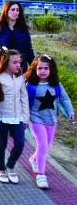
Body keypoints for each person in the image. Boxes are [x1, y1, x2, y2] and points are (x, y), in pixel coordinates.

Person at [24, 55, 75, 189]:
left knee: (47, 145)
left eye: (46, 68)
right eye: (40, 68)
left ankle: (34, 159)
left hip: (52, 120)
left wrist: (70, 112)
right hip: (36, 119)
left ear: (51, 69)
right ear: (34, 69)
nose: (43, 71)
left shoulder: (56, 85)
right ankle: (41, 175)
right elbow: (23, 101)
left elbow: (64, 99)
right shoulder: (30, 85)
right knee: (43, 146)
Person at [0, 47, 29, 185]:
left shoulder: (20, 78)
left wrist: (25, 118)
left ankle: (10, 166)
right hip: (1, 117)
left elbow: (24, 98)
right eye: (14, 62)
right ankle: (1, 168)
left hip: (18, 118)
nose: (18, 65)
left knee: (20, 143)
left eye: (19, 62)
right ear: (6, 62)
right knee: (1, 145)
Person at [0, 1, 34, 71]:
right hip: (0, 68)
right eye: (12, 10)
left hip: (19, 70)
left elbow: (29, 51)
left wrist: (34, 69)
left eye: (17, 10)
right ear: (6, 11)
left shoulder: (24, 30)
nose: (15, 12)